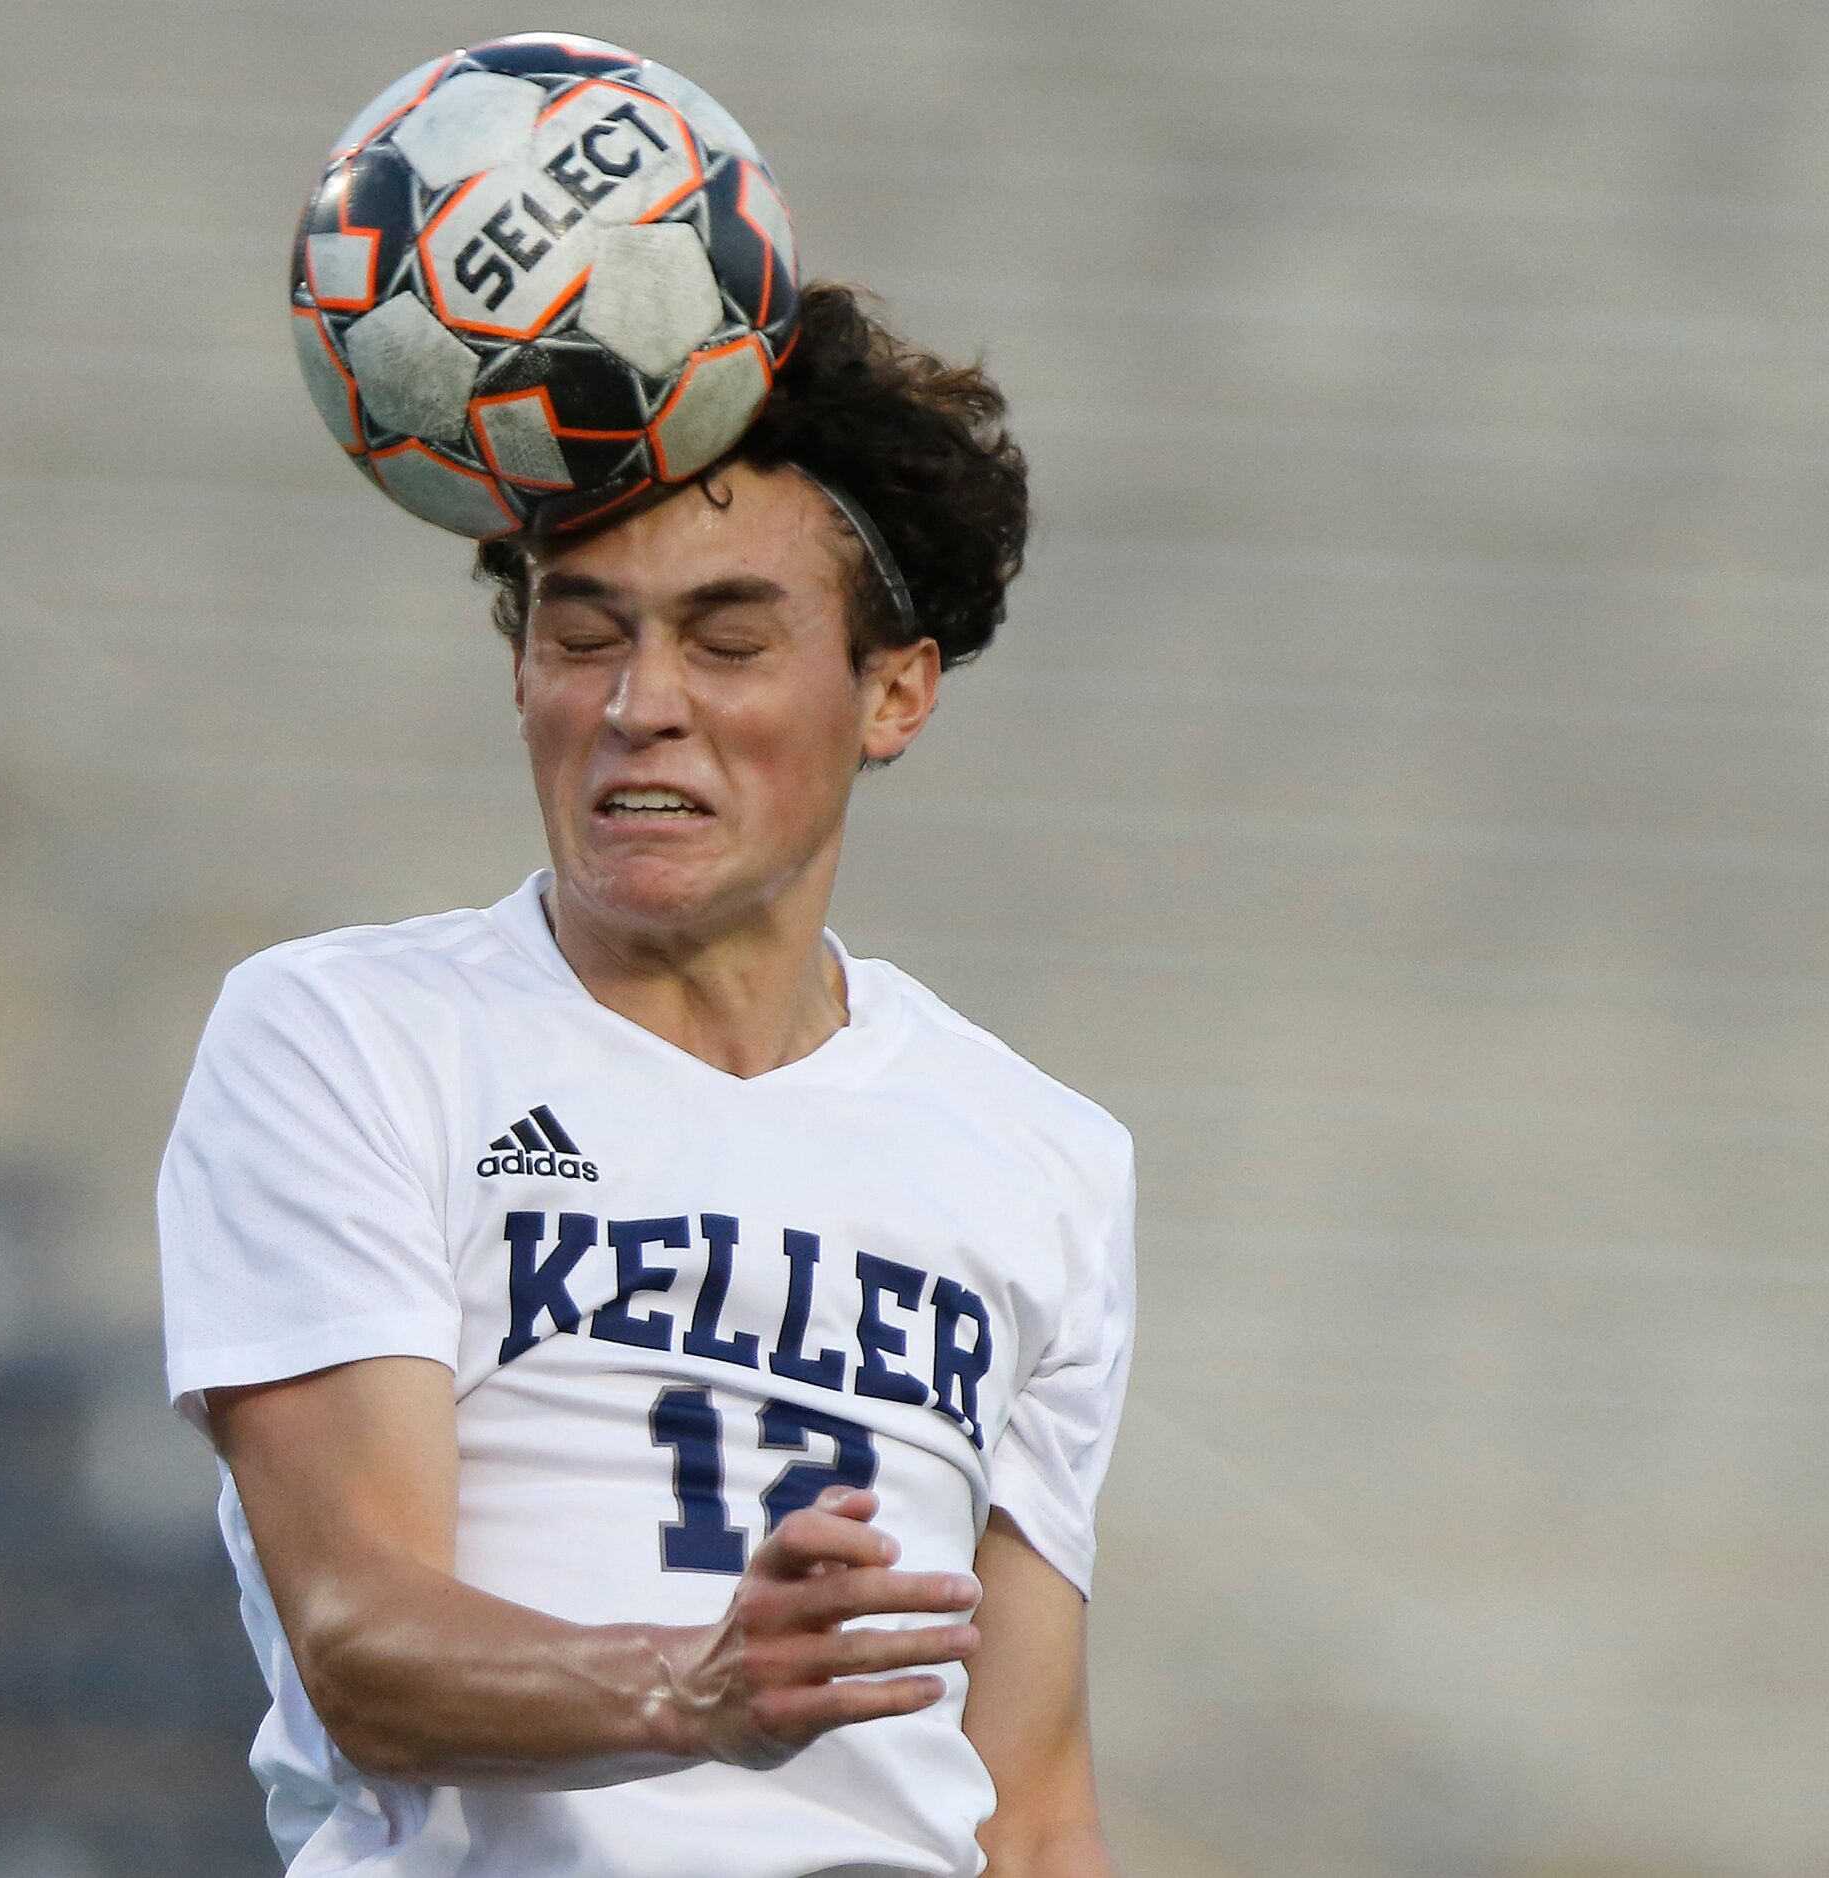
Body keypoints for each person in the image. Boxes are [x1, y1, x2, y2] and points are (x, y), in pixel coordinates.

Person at [158, 282, 1136, 1877]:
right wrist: (693, 1690)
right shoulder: (345, 1037)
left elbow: (1027, 1807)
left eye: (728, 640)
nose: (638, 706)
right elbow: (362, 1644)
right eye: (581, 632)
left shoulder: (1043, 1156)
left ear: (894, 691)